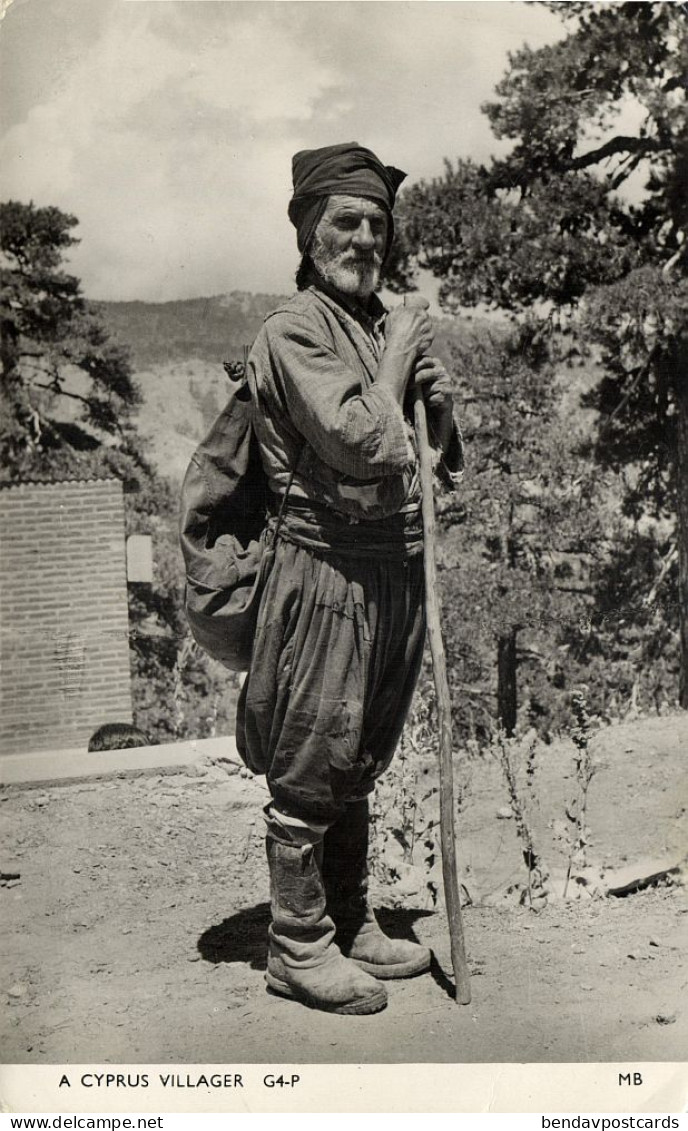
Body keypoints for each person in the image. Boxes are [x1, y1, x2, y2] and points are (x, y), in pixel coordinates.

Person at [236, 142, 463, 1015]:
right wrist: (402, 355)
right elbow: (360, 441)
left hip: (389, 568)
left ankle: (347, 912)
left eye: (378, 223)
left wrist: (436, 405)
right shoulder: (293, 330)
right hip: (324, 573)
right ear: (307, 230)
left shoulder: (372, 329)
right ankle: (296, 943)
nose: (366, 238)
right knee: (314, 750)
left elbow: (422, 457)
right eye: (346, 221)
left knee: (361, 751)